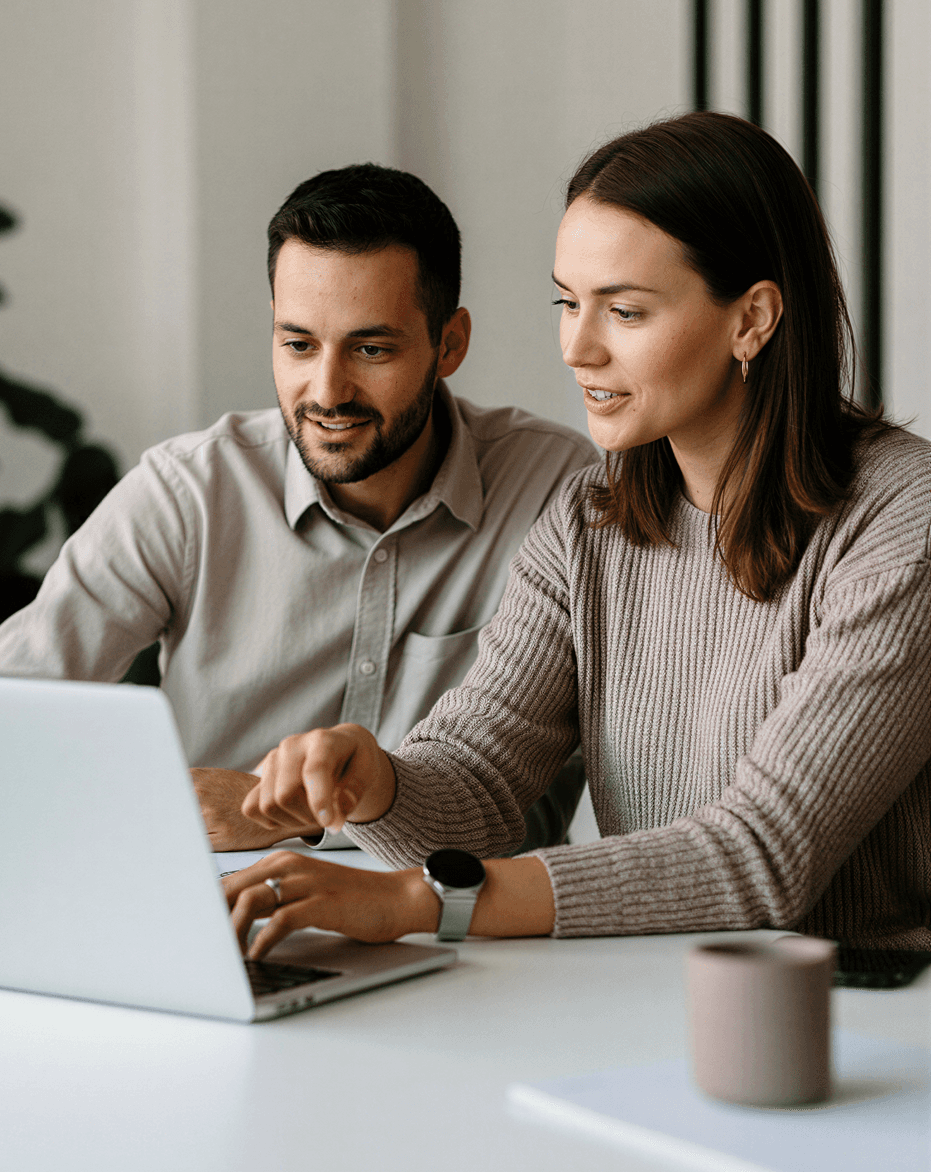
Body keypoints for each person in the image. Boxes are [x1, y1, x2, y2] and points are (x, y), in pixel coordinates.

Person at [220, 113, 930, 961]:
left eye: (624, 312)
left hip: (864, 1024)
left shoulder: (902, 520)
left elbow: (762, 857)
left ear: (753, 320)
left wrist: (414, 901)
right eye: (567, 302)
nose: (576, 348)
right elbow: (480, 784)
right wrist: (379, 784)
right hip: (644, 996)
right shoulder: (590, 518)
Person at [0, 164, 595, 852]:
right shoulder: (189, 494)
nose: (327, 391)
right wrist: (141, 806)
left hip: (471, 919)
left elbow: (523, 794)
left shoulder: (558, 493)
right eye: (298, 344)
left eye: (371, 348)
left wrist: (300, 813)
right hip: (222, 913)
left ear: (450, 344)